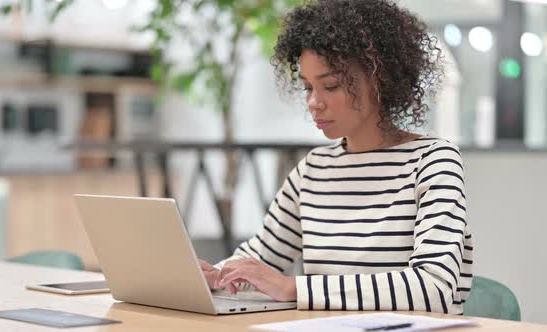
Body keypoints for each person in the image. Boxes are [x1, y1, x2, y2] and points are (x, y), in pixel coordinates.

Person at [199, 0, 473, 314]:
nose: (314, 102)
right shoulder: (313, 170)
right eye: (307, 88)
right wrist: (213, 275)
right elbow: (261, 256)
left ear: (380, 79)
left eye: (330, 85)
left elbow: (433, 288)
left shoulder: (433, 162)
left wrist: (293, 288)